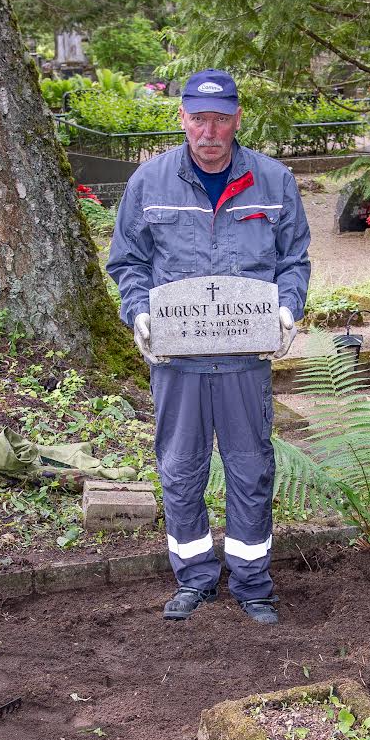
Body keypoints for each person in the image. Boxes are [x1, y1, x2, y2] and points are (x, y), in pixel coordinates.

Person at [106, 69, 311, 624]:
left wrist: (289, 306)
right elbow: (127, 262)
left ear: (238, 119)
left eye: (221, 119)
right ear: (183, 119)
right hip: (178, 360)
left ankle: (252, 582)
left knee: (250, 468)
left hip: (245, 359)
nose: (210, 130)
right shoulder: (149, 184)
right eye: (199, 118)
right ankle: (195, 576)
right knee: (180, 467)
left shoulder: (273, 181)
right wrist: (139, 312)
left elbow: (294, 259)